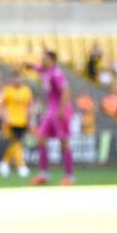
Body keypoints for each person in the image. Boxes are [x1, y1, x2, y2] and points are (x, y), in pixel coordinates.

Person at [27, 51, 75, 186]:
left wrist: (61, 110)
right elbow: (36, 67)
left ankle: (70, 177)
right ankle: (44, 175)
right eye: (42, 58)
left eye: (45, 59)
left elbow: (66, 90)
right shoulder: (45, 71)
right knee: (40, 139)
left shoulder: (56, 73)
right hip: (50, 113)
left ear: (53, 61)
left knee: (64, 142)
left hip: (61, 112)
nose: (43, 60)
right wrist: (29, 65)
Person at [0, 72, 33, 178]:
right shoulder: (8, 90)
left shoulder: (27, 90)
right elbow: (2, 105)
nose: (18, 80)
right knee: (16, 142)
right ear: (12, 79)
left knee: (16, 143)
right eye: (16, 78)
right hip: (11, 121)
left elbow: (29, 106)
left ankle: (4, 163)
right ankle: (22, 166)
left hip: (23, 121)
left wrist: (29, 119)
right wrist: (4, 118)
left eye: (20, 78)